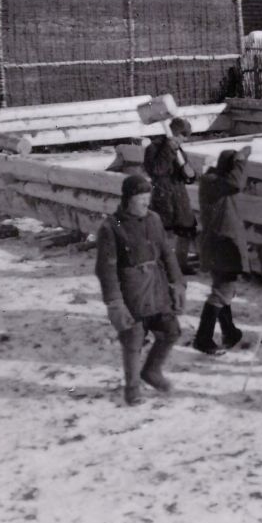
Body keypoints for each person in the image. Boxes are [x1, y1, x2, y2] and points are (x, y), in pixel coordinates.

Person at [95, 174, 186, 406]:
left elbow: (167, 253)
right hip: (131, 291)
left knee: (171, 330)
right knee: (133, 338)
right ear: (127, 200)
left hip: (157, 287)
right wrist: (115, 302)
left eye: (148, 198)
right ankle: (132, 387)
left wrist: (177, 283)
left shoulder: (154, 219)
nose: (146, 203)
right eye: (141, 199)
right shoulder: (111, 225)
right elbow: (106, 269)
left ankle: (152, 371)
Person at [193, 146, 252, 356]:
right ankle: (203, 338)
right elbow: (236, 182)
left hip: (219, 243)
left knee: (223, 288)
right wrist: (242, 160)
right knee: (223, 291)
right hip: (221, 245)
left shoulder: (216, 183)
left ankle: (230, 332)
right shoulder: (214, 183)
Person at [144, 117, 198, 274]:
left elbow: (185, 173)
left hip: (179, 193)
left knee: (187, 228)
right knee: (163, 231)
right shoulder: (154, 148)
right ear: (175, 133)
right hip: (162, 193)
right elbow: (157, 170)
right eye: (182, 136)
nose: (183, 140)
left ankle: (181, 263)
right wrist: (168, 149)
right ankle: (163, 265)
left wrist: (190, 174)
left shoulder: (179, 150)